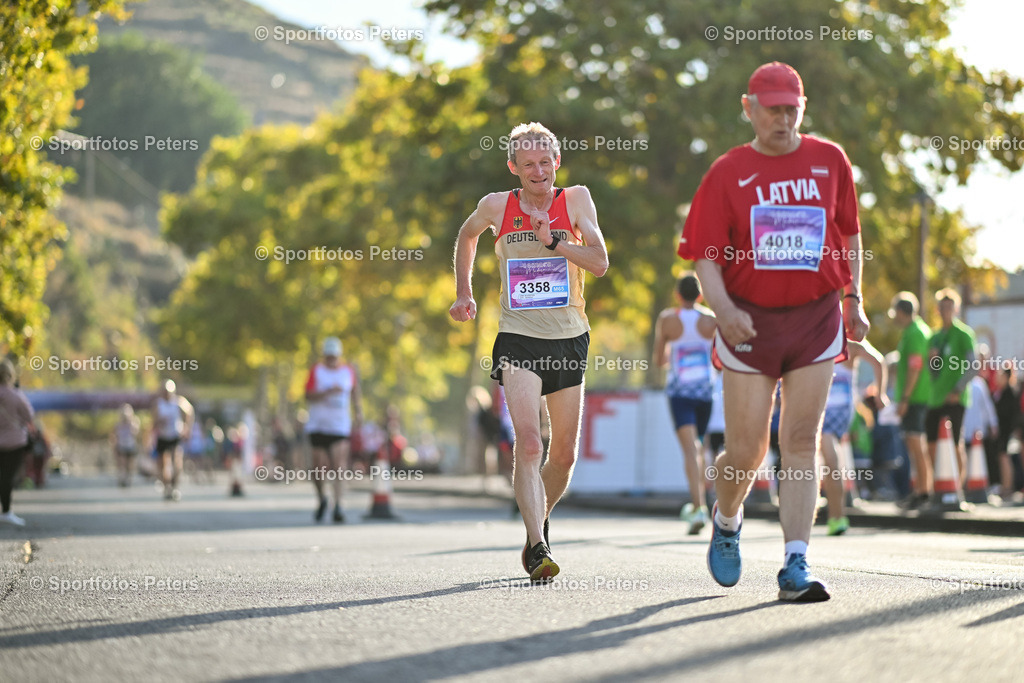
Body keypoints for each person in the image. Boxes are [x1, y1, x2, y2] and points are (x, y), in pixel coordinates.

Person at [678, 62, 869, 602]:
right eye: (773, 110)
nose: (783, 120)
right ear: (749, 108)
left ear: (802, 108)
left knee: (801, 441)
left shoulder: (830, 161)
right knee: (746, 452)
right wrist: (723, 310)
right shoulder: (728, 171)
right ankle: (727, 517)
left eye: (792, 109)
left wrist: (854, 298)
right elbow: (704, 255)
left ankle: (795, 562)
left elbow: (849, 234)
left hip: (815, 318)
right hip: (748, 323)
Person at [449, 121, 609, 582]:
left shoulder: (575, 200)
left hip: (569, 337)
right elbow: (466, 235)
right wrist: (464, 292)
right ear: (513, 167)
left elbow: (599, 263)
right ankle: (538, 546)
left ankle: (538, 518)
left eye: (545, 162)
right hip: (518, 337)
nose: (538, 172)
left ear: (557, 162)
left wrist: (555, 240)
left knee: (564, 455)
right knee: (530, 441)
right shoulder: (496, 206)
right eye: (528, 164)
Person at [653, 274, 716, 534]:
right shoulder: (712, 320)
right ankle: (703, 504)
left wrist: (676, 353)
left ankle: (698, 507)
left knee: (691, 450)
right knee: (700, 448)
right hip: (706, 392)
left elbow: (659, 360)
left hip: (680, 392)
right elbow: (721, 356)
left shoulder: (668, 319)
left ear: (678, 295)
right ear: (700, 295)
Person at [819, 339, 886, 535]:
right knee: (829, 461)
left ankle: (836, 516)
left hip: (831, 411)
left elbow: (878, 361)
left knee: (829, 460)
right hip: (838, 410)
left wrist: (880, 394)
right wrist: (880, 393)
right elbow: (878, 362)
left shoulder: (849, 344)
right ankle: (836, 516)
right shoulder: (846, 344)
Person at [925, 288, 977, 509]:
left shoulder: (964, 334)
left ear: (955, 309)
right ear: (937, 310)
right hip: (935, 398)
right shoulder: (934, 337)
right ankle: (937, 488)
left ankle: (957, 490)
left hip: (955, 398)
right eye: (942, 307)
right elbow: (931, 370)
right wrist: (932, 360)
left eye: (949, 307)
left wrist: (958, 389)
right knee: (931, 445)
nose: (945, 311)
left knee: (955, 444)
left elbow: (973, 366)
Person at [304, 336, 362, 523]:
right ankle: (322, 498)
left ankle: (338, 505)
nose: (331, 360)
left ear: (339, 355)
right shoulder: (317, 370)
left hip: (339, 426)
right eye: (328, 357)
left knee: (339, 465)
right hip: (318, 425)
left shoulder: (348, 371)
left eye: (334, 357)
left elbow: (355, 392)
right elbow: (308, 395)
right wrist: (327, 392)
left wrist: (358, 412)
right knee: (318, 468)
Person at [889, 292, 933, 510]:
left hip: (916, 398)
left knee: (916, 445)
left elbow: (915, 366)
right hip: (916, 396)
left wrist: (905, 398)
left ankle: (923, 492)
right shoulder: (915, 330)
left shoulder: (915, 332)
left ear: (901, 312)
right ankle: (919, 491)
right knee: (914, 445)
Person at [0, 359, 36, 526]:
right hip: (14, 442)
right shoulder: (16, 395)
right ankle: (6, 511)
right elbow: (29, 415)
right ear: (10, 375)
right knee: (7, 477)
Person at [151, 379, 194, 501]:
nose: (167, 394)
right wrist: (159, 423)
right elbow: (154, 422)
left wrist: (187, 428)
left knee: (176, 460)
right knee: (163, 464)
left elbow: (190, 412)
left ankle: (175, 486)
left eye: (168, 392)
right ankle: (167, 487)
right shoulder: (158, 404)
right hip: (162, 436)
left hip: (175, 435)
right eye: (164, 391)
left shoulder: (179, 402)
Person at [991, 365, 1021, 501]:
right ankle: (1005, 486)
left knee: (1005, 457)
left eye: (1000, 376)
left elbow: (1011, 414)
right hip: (1004, 431)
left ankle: (1008, 487)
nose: (997, 378)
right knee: (1002, 457)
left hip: (1007, 431)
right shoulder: (1002, 392)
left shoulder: (1010, 392)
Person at [112, 403, 141, 487]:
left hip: (131, 446)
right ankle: (123, 478)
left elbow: (136, 433)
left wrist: (131, 423)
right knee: (123, 463)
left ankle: (129, 477)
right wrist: (114, 447)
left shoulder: (134, 422)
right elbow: (115, 435)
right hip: (122, 446)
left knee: (130, 464)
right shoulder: (118, 425)